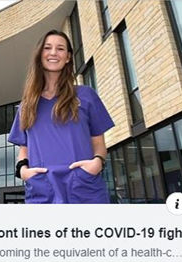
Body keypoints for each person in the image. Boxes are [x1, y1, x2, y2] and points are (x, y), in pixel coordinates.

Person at [8, 30, 114, 204]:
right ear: (39, 55)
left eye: (60, 49)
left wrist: (96, 164)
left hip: (84, 189)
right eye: (47, 48)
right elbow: (24, 149)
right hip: (42, 191)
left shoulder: (86, 95)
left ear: (68, 57)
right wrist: (23, 171)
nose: (53, 53)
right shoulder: (27, 104)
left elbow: (99, 145)